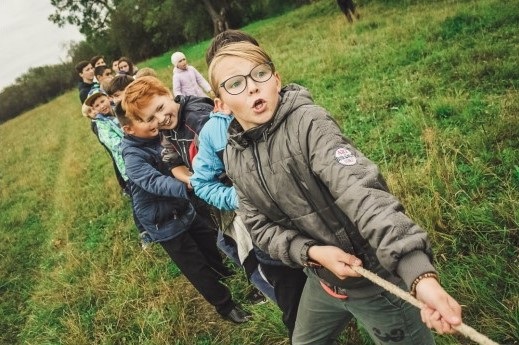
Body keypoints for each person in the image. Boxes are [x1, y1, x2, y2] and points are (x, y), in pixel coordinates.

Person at [207, 41, 463, 345]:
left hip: (376, 284)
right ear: (220, 103)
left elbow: (361, 192)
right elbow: (260, 228)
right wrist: (312, 252)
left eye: (259, 74)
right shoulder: (234, 157)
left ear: (276, 80)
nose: (252, 88)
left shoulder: (309, 124)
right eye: (235, 83)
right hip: (321, 280)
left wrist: (419, 275)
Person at [191, 30, 308, 339]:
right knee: (296, 309)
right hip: (271, 238)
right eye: (234, 78)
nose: (250, 84)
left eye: (255, 69)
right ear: (220, 88)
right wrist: (240, 199)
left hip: (315, 224)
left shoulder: (294, 111)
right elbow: (201, 182)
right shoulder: (215, 133)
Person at [123, 76, 268, 304]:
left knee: (249, 246)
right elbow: (172, 162)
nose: (160, 118)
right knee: (229, 243)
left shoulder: (197, 116)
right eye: (151, 118)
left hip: (238, 191)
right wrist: (195, 180)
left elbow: (228, 156)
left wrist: (202, 180)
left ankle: (271, 287)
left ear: (168, 93)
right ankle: (265, 282)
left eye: (161, 107)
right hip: (216, 193)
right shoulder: (167, 130)